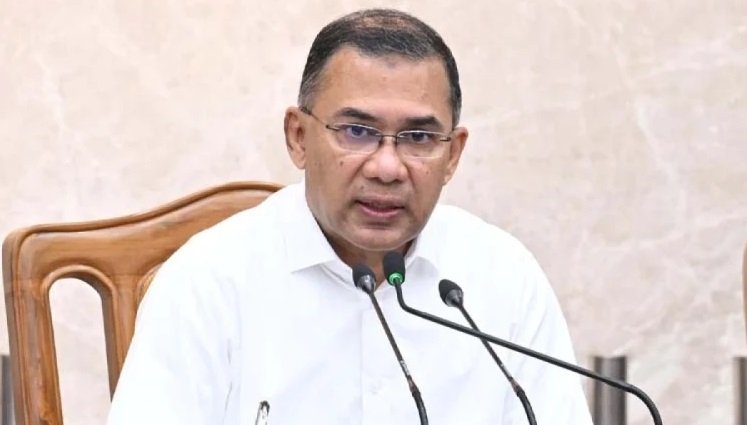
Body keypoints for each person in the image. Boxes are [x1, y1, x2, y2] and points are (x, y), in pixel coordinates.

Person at [107, 8, 593, 425]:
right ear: (298, 137)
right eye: (357, 131)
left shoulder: (503, 277)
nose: (387, 168)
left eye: (419, 138)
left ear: (453, 154)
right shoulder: (209, 281)